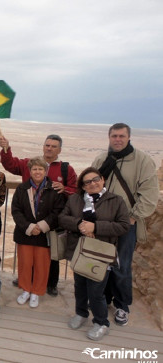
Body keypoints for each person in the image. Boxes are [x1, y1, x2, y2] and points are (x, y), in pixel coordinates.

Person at [92, 123, 158, 326]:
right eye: (114, 136)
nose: (117, 139)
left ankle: (122, 305)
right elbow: (90, 185)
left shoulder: (142, 161)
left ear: (129, 137)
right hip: (102, 223)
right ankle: (101, 299)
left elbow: (149, 195)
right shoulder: (102, 159)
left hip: (125, 225)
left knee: (121, 266)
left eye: (121, 136)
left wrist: (131, 217)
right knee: (101, 263)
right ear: (109, 137)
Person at [0, 134, 77, 296]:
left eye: (53, 146)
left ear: (59, 150)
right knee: (28, 252)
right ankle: (26, 281)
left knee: (52, 252)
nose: (49, 148)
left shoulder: (66, 169)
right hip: (29, 219)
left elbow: (76, 191)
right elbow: (10, 164)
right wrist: (6, 149)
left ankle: (51, 283)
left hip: (53, 219)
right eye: (47, 145)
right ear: (43, 146)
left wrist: (65, 189)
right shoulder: (30, 163)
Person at [59, 167, 130, 341]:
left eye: (95, 179)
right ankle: (81, 313)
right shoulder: (75, 199)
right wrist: (80, 225)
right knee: (80, 286)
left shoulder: (116, 200)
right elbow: (62, 218)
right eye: (87, 182)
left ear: (103, 179)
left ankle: (101, 322)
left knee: (96, 291)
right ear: (82, 186)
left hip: (100, 252)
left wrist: (96, 227)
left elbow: (123, 226)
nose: (92, 184)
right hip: (80, 250)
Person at [11, 157, 65, 309]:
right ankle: (26, 290)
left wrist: (41, 226)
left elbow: (58, 211)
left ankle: (36, 292)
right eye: (34, 169)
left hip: (44, 234)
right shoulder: (22, 189)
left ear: (46, 171)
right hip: (25, 233)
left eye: (40, 169)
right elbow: (16, 211)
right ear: (30, 171)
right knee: (25, 263)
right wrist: (29, 226)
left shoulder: (54, 189)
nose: (37, 172)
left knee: (42, 265)